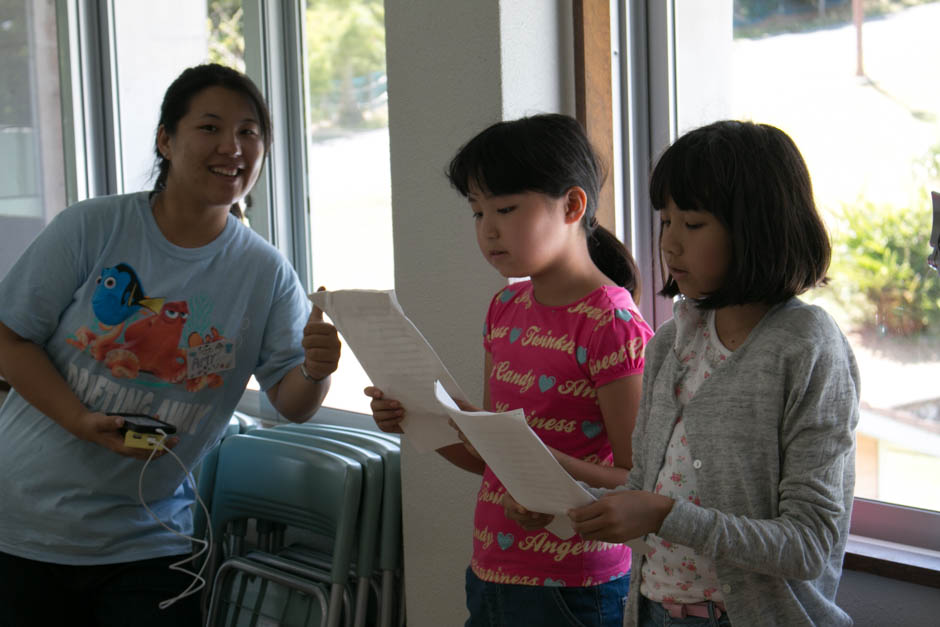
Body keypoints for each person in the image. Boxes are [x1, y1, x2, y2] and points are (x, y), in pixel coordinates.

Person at [0, 63, 341, 626]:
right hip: (24, 528)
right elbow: (9, 339)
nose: (232, 146)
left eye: (249, 132)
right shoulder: (92, 227)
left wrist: (317, 367)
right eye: (209, 127)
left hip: (150, 538)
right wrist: (82, 419)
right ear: (166, 138)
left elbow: (292, 403)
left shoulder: (265, 271)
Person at [567, 120, 860, 627]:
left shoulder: (807, 345)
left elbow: (810, 544)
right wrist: (571, 506)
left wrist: (662, 515)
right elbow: (645, 486)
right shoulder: (670, 343)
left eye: (693, 224)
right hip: (654, 611)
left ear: (757, 228)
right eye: (665, 221)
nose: (670, 244)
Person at [366, 113, 654, 626]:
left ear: (571, 205)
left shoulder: (612, 323)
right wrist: (413, 418)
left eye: (504, 208)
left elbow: (636, 480)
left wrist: (537, 459)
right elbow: (492, 458)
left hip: (574, 584)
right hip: (493, 568)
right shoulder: (506, 307)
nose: (488, 230)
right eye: (477, 213)